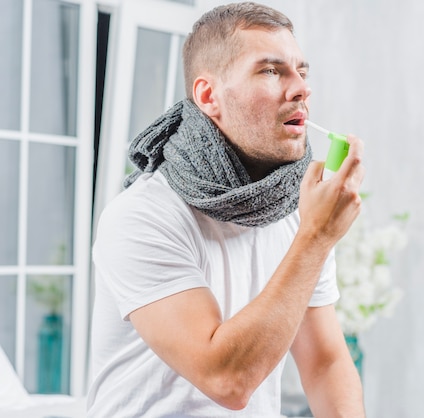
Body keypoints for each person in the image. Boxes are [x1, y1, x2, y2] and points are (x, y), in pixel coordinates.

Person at [87, 2, 366, 417]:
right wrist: (317, 236)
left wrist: (312, 232)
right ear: (208, 96)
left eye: (301, 72)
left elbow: (324, 364)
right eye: (271, 71)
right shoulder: (142, 216)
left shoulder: (295, 209)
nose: (301, 88)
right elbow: (227, 381)